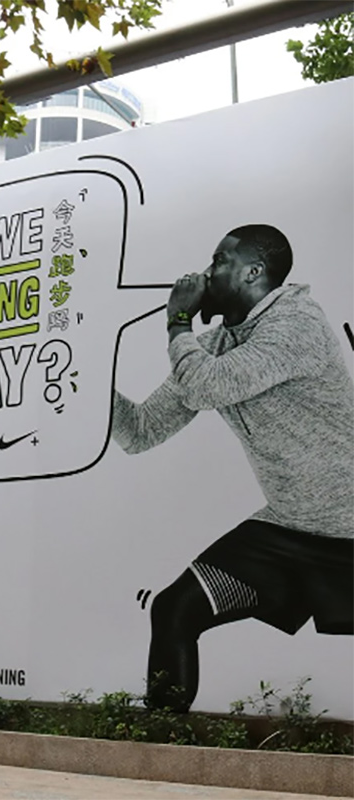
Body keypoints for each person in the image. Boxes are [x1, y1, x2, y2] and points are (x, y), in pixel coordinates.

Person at [111, 224, 354, 712]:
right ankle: (159, 745)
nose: (204, 272)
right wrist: (85, 385)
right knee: (175, 608)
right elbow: (140, 431)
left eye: (219, 261)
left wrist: (179, 319)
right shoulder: (220, 345)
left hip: (351, 523)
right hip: (290, 525)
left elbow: (206, 388)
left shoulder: (295, 324)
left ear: (253, 272)